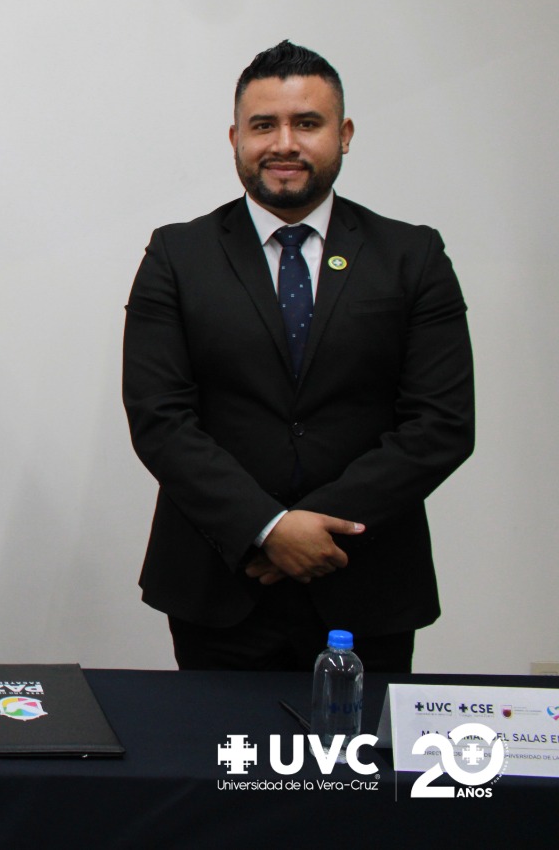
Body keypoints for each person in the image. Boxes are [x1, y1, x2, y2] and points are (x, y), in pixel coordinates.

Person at [122, 39, 474, 673]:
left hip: (367, 586)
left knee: (356, 775)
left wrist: (314, 526)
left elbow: (441, 423)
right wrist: (267, 528)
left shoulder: (412, 256)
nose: (284, 143)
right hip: (222, 583)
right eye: (264, 125)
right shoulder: (177, 256)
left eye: (306, 123)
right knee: (221, 770)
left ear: (344, 135)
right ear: (235, 137)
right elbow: (160, 418)